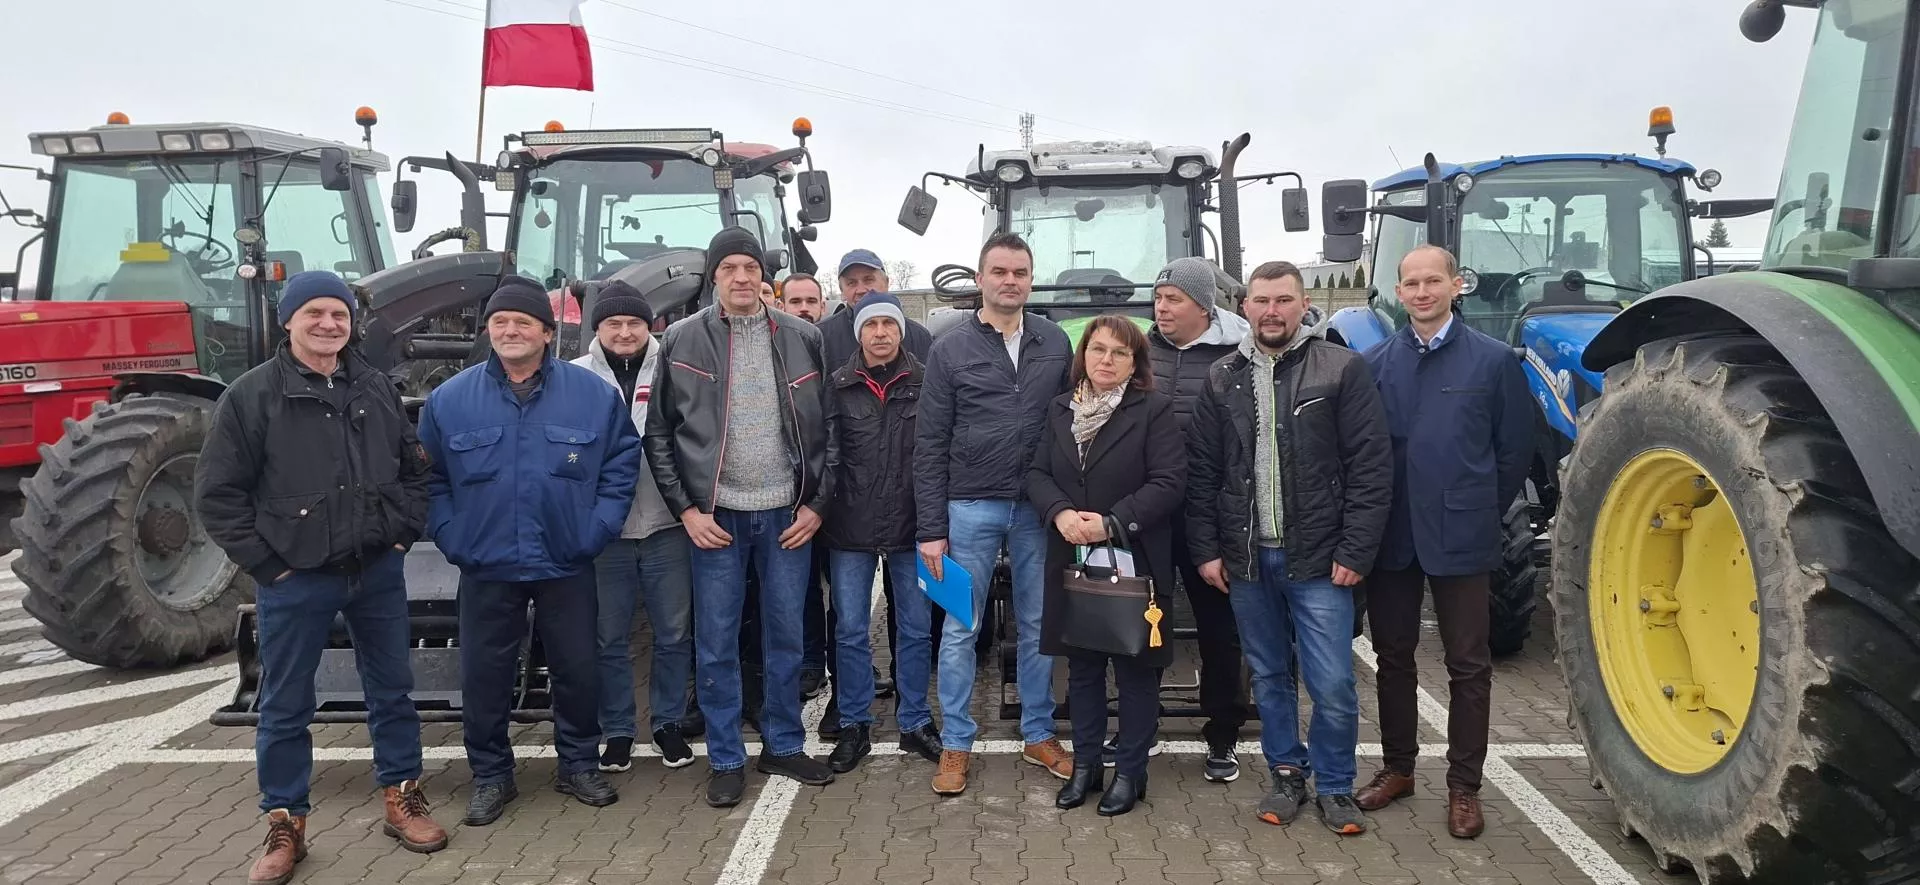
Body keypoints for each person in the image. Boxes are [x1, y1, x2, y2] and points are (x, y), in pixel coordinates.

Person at [195, 270, 447, 885]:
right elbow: (218, 496)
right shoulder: (252, 397)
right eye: (314, 313)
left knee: (392, 691)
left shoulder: (374, 388)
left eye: (338, 313)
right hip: (295, 578)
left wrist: (398, 535)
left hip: (376, 569)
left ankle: (401, 796)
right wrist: (269, 566)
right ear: (288, 320)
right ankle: (285, 823)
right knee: (285, 703)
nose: (328, 324)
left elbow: (414, 471)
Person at [417, 275, 642, 826]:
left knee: (577, 668)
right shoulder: (450, 400)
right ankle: (492, 776)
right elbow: (428, 480)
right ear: (489, 332)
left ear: (547, 332)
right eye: (500, 322)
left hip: (566, 558)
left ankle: (579, 765)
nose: (511, 331)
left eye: (524, 322)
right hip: (486, 563)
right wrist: (452, 536)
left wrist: (596, 530)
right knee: (484, 676)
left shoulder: (593, 395)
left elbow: (620, 466)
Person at [1186, 260, 1394, 836]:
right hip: (1248, 559)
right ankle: (1285, 773)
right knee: (1270, 675)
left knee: (1331, 681)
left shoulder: (1341, 369)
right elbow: (1203, 473)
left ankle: (1333, 786)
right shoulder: (1221, 377)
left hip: (1321, 559)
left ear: (1303, 305)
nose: (1271, 311)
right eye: (1260, 300)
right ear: (1244, 307)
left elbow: (1370, 469)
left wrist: (1355, 551)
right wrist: (1206, 550)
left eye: (1283, 300)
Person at [643, 226, 839, 808]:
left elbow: (832, 432)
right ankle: (726, 756)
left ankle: (782, 742)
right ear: (714, 276)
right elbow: (659, 436)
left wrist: (816, 504)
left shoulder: (805, 337)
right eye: (728, 267)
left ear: (764, 276)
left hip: (787, 517)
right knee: (718, 642)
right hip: (718, 521)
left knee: (785, 639)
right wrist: (687, 510)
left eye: (750, 266)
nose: (742, 277)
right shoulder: (681, 339)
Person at [1354, 244, 1533, 839]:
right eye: (1412, 283)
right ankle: (1398, 769)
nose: (1423, 292)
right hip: (1395, 539)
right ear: (1398, 292)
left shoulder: (1494, 361)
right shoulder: (1375, 363)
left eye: (1434, 281)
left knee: (1468, 666)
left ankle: (1464, 788)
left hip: (1462, 536)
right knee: (1393, 659)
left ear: (1457, 285)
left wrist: (1477, 504)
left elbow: (1513, 452)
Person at [915, 231, 1075, 795]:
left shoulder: (1055, 343)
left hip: (1037, 510)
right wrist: (931, 528)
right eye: (1000, 272)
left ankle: (1038, 733)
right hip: (968, 508)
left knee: (1037, 626)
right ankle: (957, 742)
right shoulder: (950, 349)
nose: (1011, 281)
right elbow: (930, 442)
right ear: (980, 279)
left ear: (1032, 279)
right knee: (962, 626)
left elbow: (1071, 425)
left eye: (1021, 273)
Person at [1028, 315, 1186, 817]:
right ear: (1084, 354)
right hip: (1072, 556)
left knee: (1136, 670)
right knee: (1082, 670)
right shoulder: (1060, 409)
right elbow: (1034, 471)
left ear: (1136, 362)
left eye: (1120, 353)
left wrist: (1112, 523)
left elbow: (1169, 481)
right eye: (1098, 350)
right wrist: (1059, 513)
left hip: (1133, 557)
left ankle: (1131, 772)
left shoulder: (1154, 411)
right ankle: (1087, 767)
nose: (1106, 361)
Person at [567, 282, 697, 773]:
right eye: (614, 324)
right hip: (605, 535)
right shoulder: (574, 378)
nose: (624, 332)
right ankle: (618, 730)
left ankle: (666, 723)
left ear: (650, 327)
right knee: (609, 638)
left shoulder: (674, 370)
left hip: (668, 524)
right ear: (597, 328)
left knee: (673, 633)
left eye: (634, 323)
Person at [819, 292, 941, 772]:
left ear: (901, 331)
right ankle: (854, 722)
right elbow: (825, 454)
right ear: (859, 334)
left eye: (890, 324)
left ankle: (914, 722)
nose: (881, 333)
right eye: (871, 326)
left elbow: (936, 454)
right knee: (849, 631)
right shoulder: (837, 386)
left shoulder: (927, 383)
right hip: (849, 528)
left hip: (913, 526)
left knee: (914, 629)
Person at [1145, 256, 1252, 783]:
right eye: (1159, 298)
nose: (1162, 309)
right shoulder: (1139, 350)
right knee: (1143, 622)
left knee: (1218, 627)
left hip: (1210, 513)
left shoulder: (1238, 355)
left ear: (1203, 306)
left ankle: (1223, 732)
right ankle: (1140, 724)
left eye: (1173, 300)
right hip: (1149, 514)